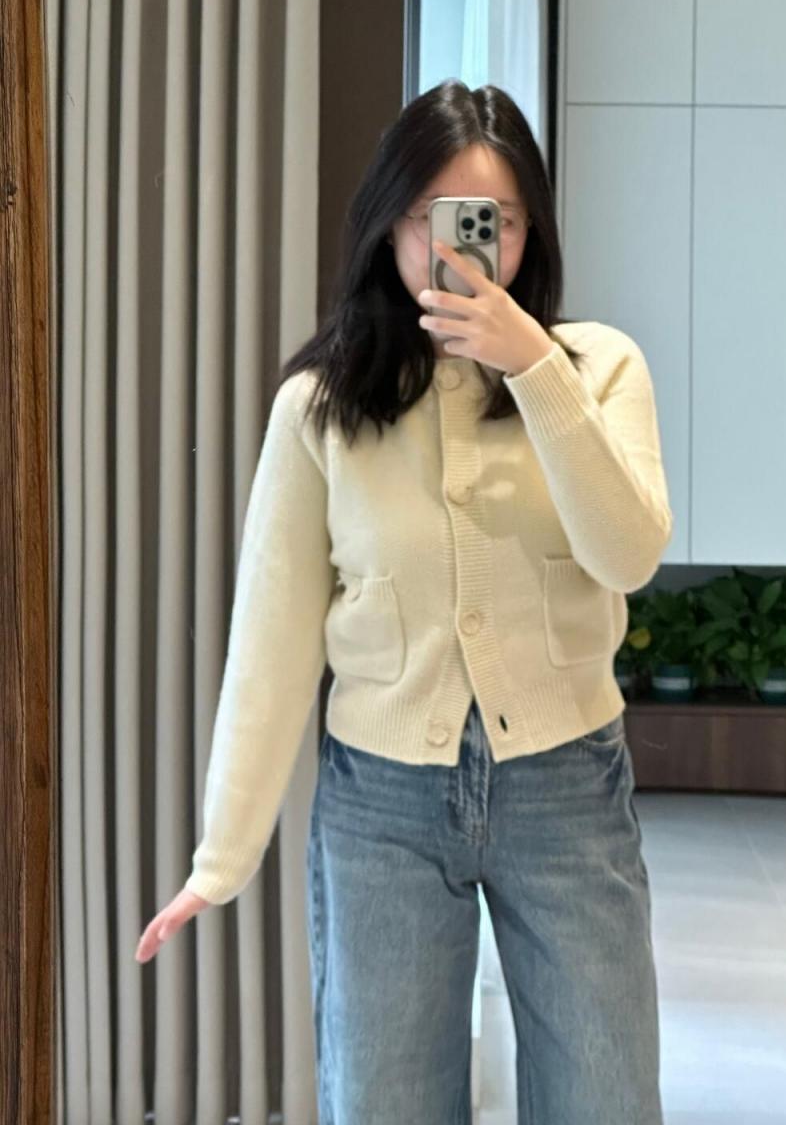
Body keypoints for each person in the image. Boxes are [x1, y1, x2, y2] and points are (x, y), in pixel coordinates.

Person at [136, 79, 673, 1124]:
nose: (459, 246)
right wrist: (222, 854)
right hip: (380, 803)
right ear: (390, 224)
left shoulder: (600, 370)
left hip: (568, 789)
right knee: (385, 1102)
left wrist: (534, 369)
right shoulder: (321, 404)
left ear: (529, 232)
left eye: (492, 220)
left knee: (605, 1097)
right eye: (433, 216)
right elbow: (273, 635)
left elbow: (628, 554)